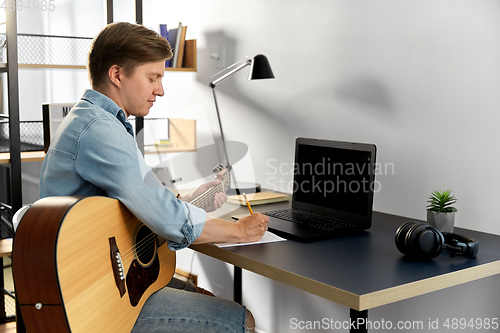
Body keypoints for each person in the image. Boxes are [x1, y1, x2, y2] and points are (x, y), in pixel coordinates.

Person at [39, 22, 269, 333]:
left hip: (100, 279)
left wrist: (189, 200)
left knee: (206, 299)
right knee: (242, 322)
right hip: (94, 294)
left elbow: (139, 201)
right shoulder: (99, 130)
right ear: (117, 74)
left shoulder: (96, 120)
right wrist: (238, 231)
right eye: (153, 78)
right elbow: (166, 218)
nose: (159, 90)